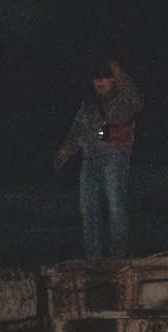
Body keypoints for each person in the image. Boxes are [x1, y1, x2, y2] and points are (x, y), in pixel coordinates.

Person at [54, 58, 144, 259]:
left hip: (114, 155)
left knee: (115, 203)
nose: (99, 83)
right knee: (88, 207)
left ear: (112, 80)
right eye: (96, 79)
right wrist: (64, 152)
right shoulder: (89, 103)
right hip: (89, 158)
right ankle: (93, 255)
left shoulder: (124, 98)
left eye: (104, 78)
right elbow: (77, 129)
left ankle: (118, 252)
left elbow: (137, 100)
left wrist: (118, 71)